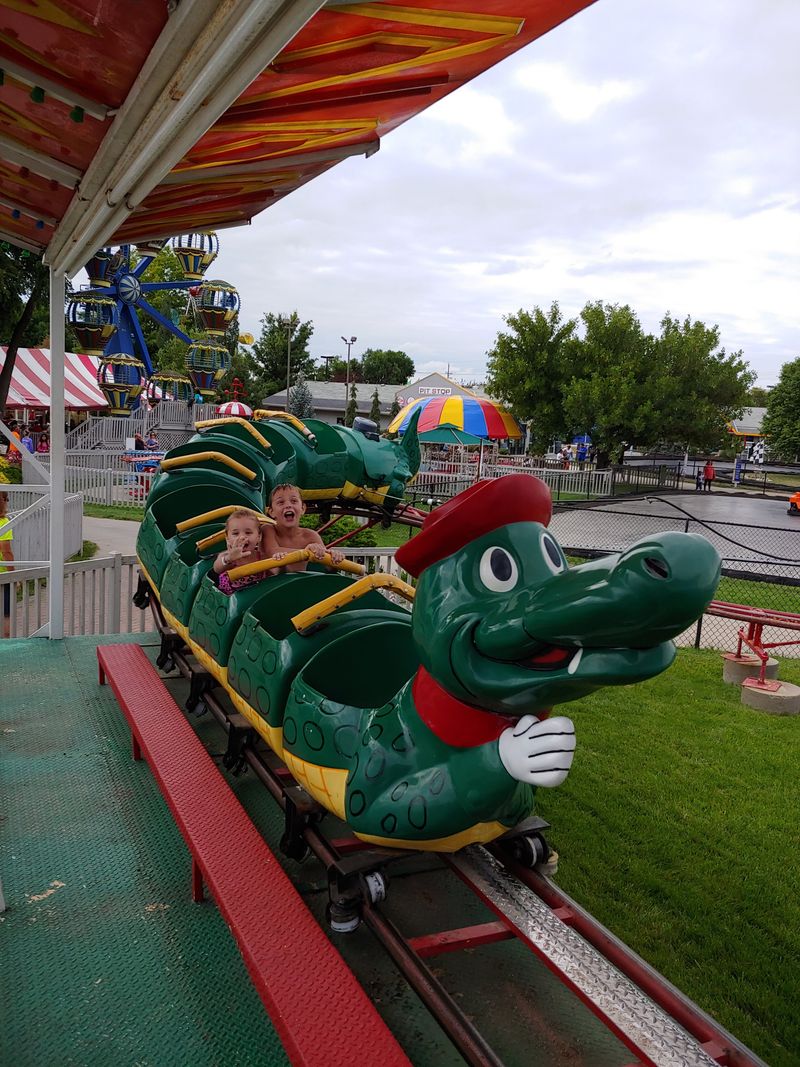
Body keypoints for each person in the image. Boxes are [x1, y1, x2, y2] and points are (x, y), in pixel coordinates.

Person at [263, 483, 345, 572]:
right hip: (272, 584)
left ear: (303, 508)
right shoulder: (268, 529)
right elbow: (273, 551)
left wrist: (334, 557)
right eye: (281, 502)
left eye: (294, 501)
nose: (288, 505)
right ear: (271, 512)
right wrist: (307, 552)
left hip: (300, 583)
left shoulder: (311, 535)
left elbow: (326, 566)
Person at [214, 508, 272, 594]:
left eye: (248, 533)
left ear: (259, 537)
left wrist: (278, 557)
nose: (242, 537)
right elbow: (217, 569)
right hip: (230, 603)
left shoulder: (262, 557)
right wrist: (229, 558)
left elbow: (276, 572)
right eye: (235, 533)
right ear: (227, 538)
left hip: (256, 599)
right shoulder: (226, 556)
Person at [0, 491, 14, 638]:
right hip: (3, 573)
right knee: (6, 612)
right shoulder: (3, 523)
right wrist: (13, 574)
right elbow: (6, 552)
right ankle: (5, 639)